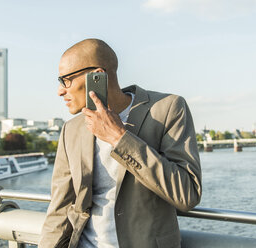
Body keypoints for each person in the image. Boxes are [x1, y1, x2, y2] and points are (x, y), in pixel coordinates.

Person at [39, 39, 202, 248]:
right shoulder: (70, 130)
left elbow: (187, 194)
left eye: (66, 80)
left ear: (96, 75)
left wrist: (119, 137)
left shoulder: (168, 109)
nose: (60, 91)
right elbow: (59, 210)